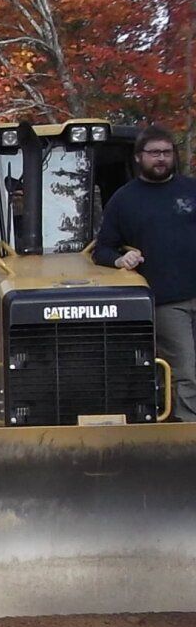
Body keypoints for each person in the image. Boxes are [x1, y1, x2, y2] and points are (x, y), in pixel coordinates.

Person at [92, 125, 196, 420]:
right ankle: (189, 433)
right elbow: (103, 250)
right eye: (154, 153)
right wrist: (122, 259)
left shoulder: (191, 190)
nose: (161, 159)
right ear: (139, 158)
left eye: (166, 152)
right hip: (166, 301)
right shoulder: (125, 200)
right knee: (185, 368)